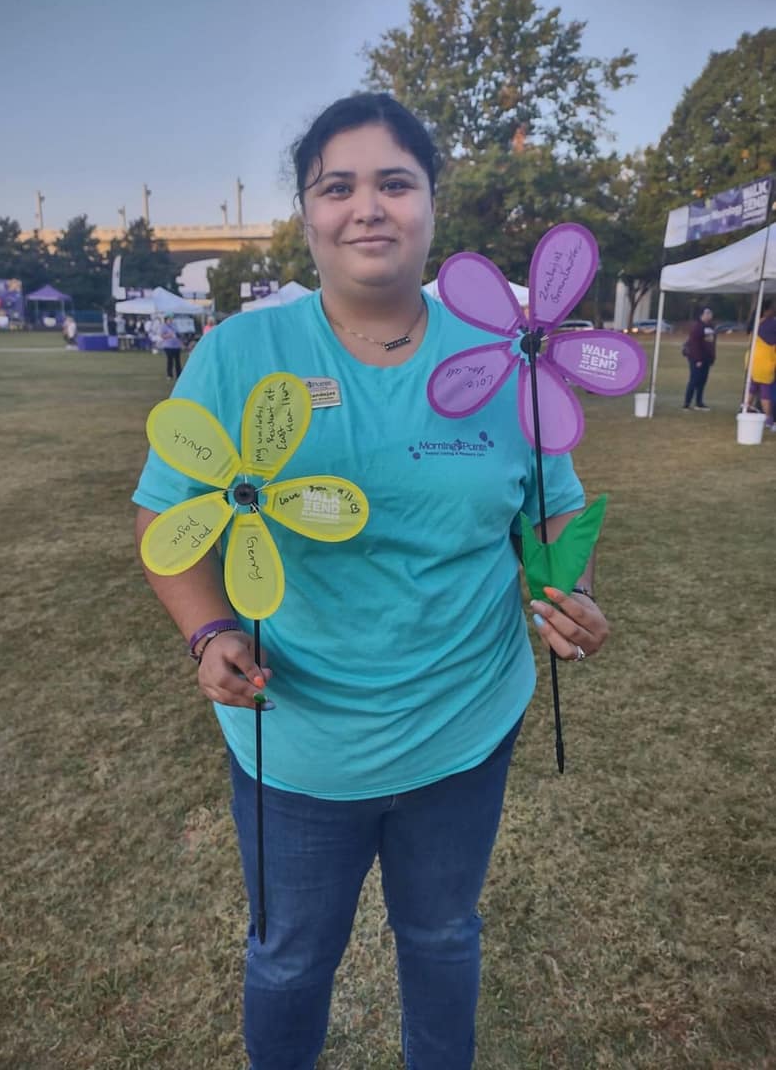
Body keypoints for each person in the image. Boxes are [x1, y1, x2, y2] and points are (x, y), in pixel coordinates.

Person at [133, 93, 610, 1070]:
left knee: (441, 937)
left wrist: (573, 592)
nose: (367, 207)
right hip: (298, 740)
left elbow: (552, 504)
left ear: (433, 205)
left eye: (395, 183)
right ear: (307, 214)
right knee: (292, 959)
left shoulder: (501, 354)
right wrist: (207, 630)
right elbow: (168, 513)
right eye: (336, 186)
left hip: (464, 726)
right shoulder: (239, 354)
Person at [742, 300, 776, 429]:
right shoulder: (771, 324)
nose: (774, 311)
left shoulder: (755, 322)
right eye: (772, 308)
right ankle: (769, 419)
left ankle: (745, 410)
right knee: (765, 393)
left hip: (752, 362)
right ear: (766, 310)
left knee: (752, 389)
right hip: (764, 363)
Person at [682, 305, 716, 410]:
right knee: (694, 380)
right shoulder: (697, 327)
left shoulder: (711, 326)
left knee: (702, 381)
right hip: (697, 359)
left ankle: (699, 402)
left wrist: (712, 357)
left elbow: (712, 343)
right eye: (707, 313)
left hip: (707, 358)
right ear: (702, 314)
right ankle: (686, 404)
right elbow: (694, 344)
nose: (710, 315)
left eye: (710, 313)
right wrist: (697, 359)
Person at [157, 314, 183, 379]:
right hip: (168, 346)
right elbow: (162, 336)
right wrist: (170, 335)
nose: (170, 320)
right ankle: (169, 375)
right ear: (166, 320)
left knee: (178, 361)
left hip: (176, 346)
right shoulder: (163, 327)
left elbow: (178, 333)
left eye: (171, 319)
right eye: (169, 319)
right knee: (170, 360)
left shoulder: (174, 326)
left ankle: (179, 374)